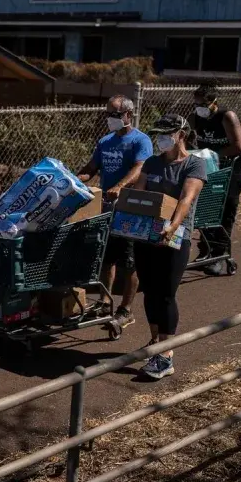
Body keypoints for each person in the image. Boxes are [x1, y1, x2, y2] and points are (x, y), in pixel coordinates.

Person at [134, 115, 206, 380]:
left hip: (174, 237)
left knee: (165, 293)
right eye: (158, 134)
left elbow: (186, 198)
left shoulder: (194, 165)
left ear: (181, 135)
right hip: (145, 235)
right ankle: (155, 342)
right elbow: (138, 193)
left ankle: (167, 354)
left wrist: (173, 225)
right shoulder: (152, 162)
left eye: (166, 134)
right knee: (149, 289)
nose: (160, 139)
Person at [77, 95, 153, 327]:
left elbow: (140, 168)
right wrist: (75, 179)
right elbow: (91, 167)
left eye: (116, 115)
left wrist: (119, 186)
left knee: (128, 261)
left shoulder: (141, 141)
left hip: (129, 208)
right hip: (107, 208)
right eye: (108, 114)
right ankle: (104, 301)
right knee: (106, 257)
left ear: (128, 115)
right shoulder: (105, 141)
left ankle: (126, 309)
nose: (111, 119)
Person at [191, 81, 241, 276]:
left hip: (231, 166)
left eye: (203, 105)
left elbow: (238, 147)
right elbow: (189, 139)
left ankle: (221, 254)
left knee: (226, 208)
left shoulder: (226, 117)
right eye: (196, 105)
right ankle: (206, 251)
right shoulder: (195, 118)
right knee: (205, 207)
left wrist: (211, 153)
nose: (199, 109)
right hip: (209, 166)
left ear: (214, 102)